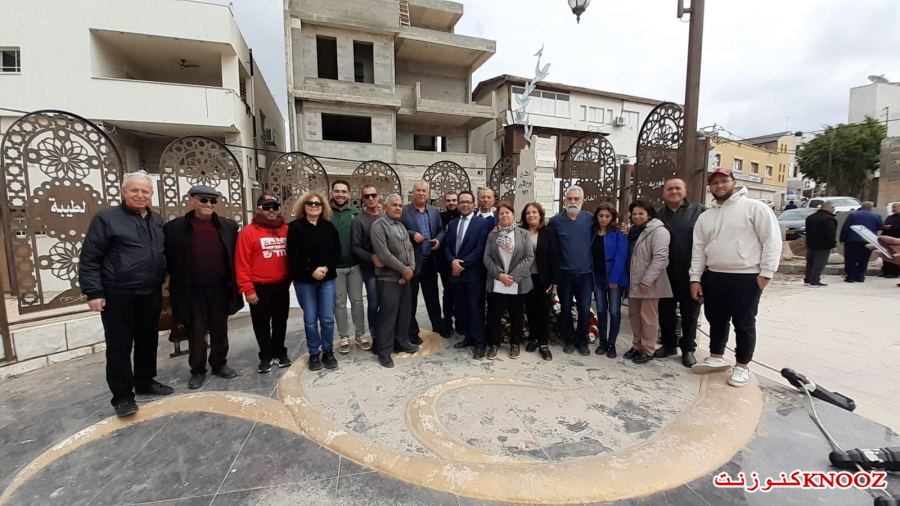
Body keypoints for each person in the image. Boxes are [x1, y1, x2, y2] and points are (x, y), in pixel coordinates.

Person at [79, 171, 172, 418]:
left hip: (149, 290)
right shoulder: (106, 219)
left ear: (151, 194)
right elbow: (90, 257)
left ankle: (145, 381)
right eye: (134, 190)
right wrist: (93, 292)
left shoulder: (156, 219)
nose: (140, 195)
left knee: (147, 339)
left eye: (145, 191)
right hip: (118, 291)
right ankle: (122, 397)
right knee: (119, 345)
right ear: (123, 192)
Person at [690, 168, 781, 388]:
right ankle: (716, 356)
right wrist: (695, 278)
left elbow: (772, 241)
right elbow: (698, 249)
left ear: (733, 182)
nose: (719, 186)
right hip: (714, 275)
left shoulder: (755, 208)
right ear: (710, 187)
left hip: (746, 276)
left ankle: (742, 365)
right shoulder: (705, 217)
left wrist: (766, 274)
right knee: (716, 318)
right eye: (715, 183)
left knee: (744, 323)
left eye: (724, 181)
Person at [164, 185, 243, 390]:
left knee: (220, 330)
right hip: (192, 291)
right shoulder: (174, 228)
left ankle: (219, 364)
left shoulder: (228, 226)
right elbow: (167, 260)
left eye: (213, 201)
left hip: (220, 288)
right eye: (203, 200)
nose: (208, 204)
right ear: (191, 200)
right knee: (196, 332)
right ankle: (198, 370)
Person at [235, 193, 291, 374]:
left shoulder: (286, 229)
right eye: (267, 207)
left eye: (275, 206)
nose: (272, 210)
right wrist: (247, 289)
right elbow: (241, 262)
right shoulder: (248, 232)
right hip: (259, 286)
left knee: (281, 321)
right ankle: (266, 355)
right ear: (259, 209)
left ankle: (280, 352)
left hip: (281, 285)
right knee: (261, 323)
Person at [287, 192, 341, 371]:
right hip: (304, 281)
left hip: (327, 279)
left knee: (327, 319)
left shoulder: (329, 227)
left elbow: (335, 252)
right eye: (310, 203)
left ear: (322, 207)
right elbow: (294, 254)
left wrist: (325, 268)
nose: (314, 206)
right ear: (303, 206)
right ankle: (314, 353)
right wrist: (311, 270)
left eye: (318, 204)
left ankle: (328, 351)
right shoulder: (295, 227)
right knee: (310, 319)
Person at [655, 178, 705, 367]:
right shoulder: (657, 215)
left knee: (690, 314)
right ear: (664, 193)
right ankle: (669, 344)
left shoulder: (700, 212)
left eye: (678, 188)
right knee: (665, 311)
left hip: (690, 273)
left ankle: (688, 349)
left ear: (685, 191)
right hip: (665, 273)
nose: (674, 191)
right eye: (670, 188)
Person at [370, 194, 419, 367]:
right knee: (388, 316)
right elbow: (384, 254)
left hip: (405, 278)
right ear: (385, 207)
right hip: (388, 278)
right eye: (394, 205)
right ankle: (384, 352)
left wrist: (411, 268)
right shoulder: (378, 226)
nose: (398, 208)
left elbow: (410, 248)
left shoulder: (401, 225)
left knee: (404, 313)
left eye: (400, 205)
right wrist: (404, 270)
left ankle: (402, 342)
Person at [483, 202, 535, 359]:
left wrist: (513, 276)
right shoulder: (493, 235)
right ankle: (494, 344)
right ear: (498, 217)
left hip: (516, 282)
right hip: (497, 281)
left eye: (507, 213)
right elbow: (487, 258)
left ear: (513, 215)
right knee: (494, 315)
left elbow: (529, 257)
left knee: (516, 315)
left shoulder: (523, 234)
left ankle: (515, 343)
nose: (504, 215)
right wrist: (500, 275)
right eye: (501, 213)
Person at [444, 190, 492, 358]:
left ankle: (480, 343)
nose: (465, 204)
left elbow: (480, 249)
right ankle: (468, 338)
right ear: (458, 204)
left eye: (468, 202)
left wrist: (461, 264)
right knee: (462, 308)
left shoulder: (482, 224)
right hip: (456, 274)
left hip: (473, 274)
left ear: (474, 204)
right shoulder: (453, 223)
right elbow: (447, 246)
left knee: (475, 309)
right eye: (462, 202)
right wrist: (452, 261)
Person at [622, 201, 671, 364]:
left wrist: (647, 280)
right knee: (634, 315)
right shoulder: (634, 231)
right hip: (634, 280)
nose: (637, 216)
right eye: (634, 214)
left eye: (641, 213)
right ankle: (636, 345)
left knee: (648, 317)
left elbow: (660, 258)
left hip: (649, 283)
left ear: (649, 215)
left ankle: (648, 349)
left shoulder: (659, 231)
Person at [400, 180, 448, 341]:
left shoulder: (434, 211)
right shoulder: (404, 211)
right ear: (413, 192)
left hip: (430, 262)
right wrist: (412, 234)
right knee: (411, 299)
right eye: (418, 190)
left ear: (428, 193)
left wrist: (439, 240)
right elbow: (397, 228)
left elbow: (441, 231)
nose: (421, 193)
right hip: (412, 262)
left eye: (424, 191)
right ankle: (412, 332)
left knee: (432, 297)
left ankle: (438, 325)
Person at [549, 185, 594, 356]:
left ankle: (582, 341)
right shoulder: (555, 221)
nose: (573, 201)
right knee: (566, 308)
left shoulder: (590, 219)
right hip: (564, 274)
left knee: (584, 309)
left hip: (585, 274)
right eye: (570, 198)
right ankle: (568, 340)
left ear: (583, 200)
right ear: (564, 200)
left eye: (576, 199)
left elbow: (607, 229)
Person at [330, 180, 370, 354]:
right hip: (335, 269)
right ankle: (344, 336)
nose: (340, 194)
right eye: (337, 191)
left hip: (355, 267)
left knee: (357, 301)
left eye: (343, 191)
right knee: (339, 304)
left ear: (349, 194)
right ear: (332, 193)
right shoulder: (325, 213)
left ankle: (360, 334)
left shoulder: (356, 214)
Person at [522, 202, 559, 361]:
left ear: (540, 215)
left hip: (543, 278)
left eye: (534, 212)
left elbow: (554, 256)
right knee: (530, 309)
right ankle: (533, 338)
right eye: (528, 213)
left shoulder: (548, 232)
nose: (531, 215)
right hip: (526, 277)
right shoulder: (521, 232)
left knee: (543, 310)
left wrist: (555, 280)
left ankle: (544, 343)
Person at [591, 202, 629, 359]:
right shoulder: (593, 232)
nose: (604, 219)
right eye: (601, 216)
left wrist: (614, 278)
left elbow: (621, 257)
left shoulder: (619, 233)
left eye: (607, 216)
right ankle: (603, 341)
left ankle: (612, 343)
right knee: (600, 309)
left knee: (614, 310)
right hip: (598, 277)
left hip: (614, 279)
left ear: (612, 217)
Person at [351, 184, 382, 344]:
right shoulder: (359, 220)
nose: (370, 198)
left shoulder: (385, 216)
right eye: (366, 196)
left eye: (373, 195)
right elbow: (355, 247)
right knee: (374, 303)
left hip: (389, 268)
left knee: (387, 302)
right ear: (362, 199)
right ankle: (375, 336)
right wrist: (372, 258)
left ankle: (387, 333)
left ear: (378, 196)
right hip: (370, 270)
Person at [839, 201, 883, 283]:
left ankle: (850, 277)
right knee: (864, 259)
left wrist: (842, 238)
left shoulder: (853, 215)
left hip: (852, 240)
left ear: (861, 206)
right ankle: (860, 277)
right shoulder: (877, 216)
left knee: (851, 259)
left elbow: (846, 227)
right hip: (868, 240)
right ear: (871, 207)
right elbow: (880, 227)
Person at [438, 191, 461, 335]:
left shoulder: (463, 216)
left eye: (454, 200)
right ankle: (447, 322)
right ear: (445, 202)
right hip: (445, 263)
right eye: (448, 200)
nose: (451, 203)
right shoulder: (440, 217)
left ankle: (460, 322)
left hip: (461, 263)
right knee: (447, 294)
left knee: (459, 294)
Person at [803, 202, 837, 287]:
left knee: (810, 262)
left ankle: (807, 279)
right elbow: (830, 233)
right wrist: (833, 244)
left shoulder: (810, 217)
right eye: (832, 207)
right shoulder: (829, 219)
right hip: (824, 245)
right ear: (826, 208)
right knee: (819, 263)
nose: (834, 209)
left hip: (810, 243)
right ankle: (815, 281)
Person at [879, 202, 900, 278]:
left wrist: (892, 227)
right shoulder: (890, 217)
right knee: (886, 255)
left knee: (894, 257)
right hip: (887, 239)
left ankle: (894, 273)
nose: (893, 209)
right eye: (892, 207)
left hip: (896, 240)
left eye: (895, 207)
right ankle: (885, 271)